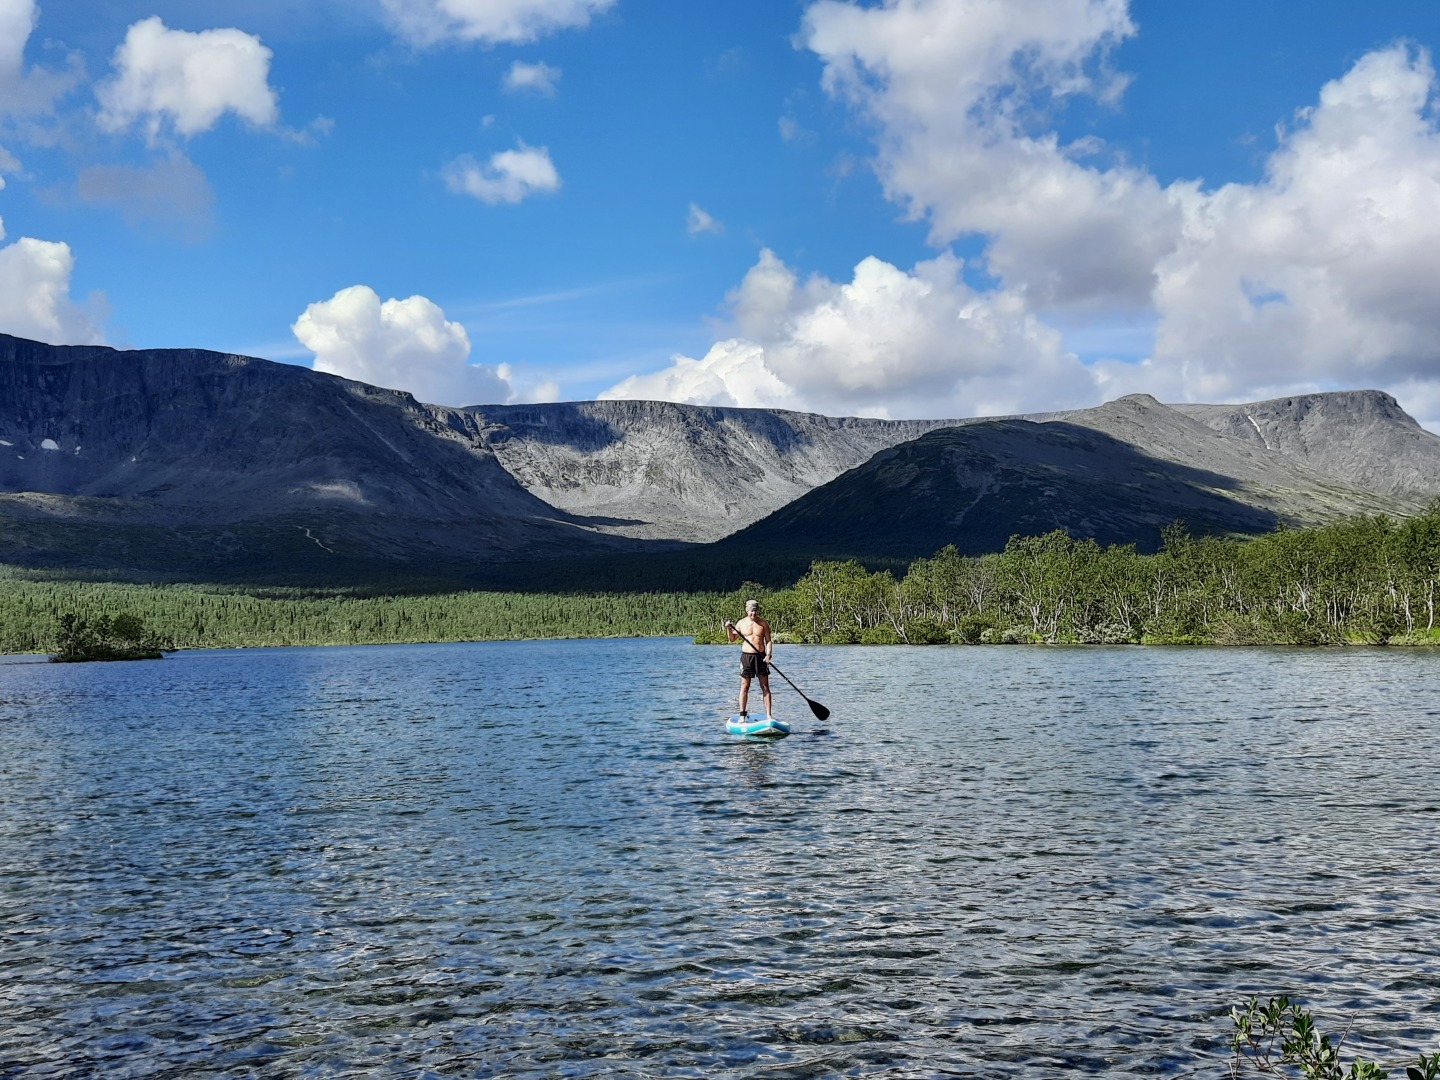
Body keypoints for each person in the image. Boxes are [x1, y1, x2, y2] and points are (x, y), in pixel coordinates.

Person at [724, 599, 774, 720]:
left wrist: (768, 654)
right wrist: (729, 629)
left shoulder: (763, 623)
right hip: (747, 657)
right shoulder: (741, 623)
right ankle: (742, 715)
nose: (753, 613)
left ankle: (769, 715)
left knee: (765, 686)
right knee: (745, 686)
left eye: (755, 610)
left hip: (761, 657)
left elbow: (768, 641)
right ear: (747, 611)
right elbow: (732, 639)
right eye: (751, 611)